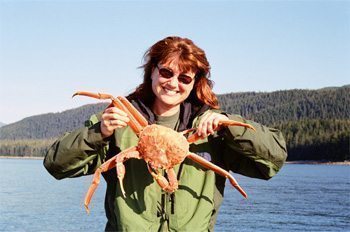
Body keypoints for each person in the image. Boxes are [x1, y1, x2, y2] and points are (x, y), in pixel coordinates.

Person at [44, 36, 287, 231]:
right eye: (166, 73)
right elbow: (56, 165)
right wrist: (98, 132)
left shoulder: (211, 130)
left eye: (184, 77)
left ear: (194, 82)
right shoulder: (119, 120)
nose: (173, 83)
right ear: (152, 71)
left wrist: (231, 125)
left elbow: (271, 163)